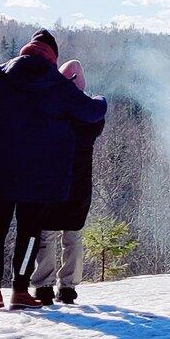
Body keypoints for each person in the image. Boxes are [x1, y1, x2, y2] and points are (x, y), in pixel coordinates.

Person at [0, 30, 107, 311]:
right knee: (28, 234)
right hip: (39, 178)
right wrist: (100, 99)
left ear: (26, 50)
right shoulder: (57, 85)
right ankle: (19, 291)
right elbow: (92, 112)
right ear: (52, 57)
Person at [31, 59, 103, 305]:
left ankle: (43, 286)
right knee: (73, 236)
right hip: (80, 183)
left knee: (47, 235)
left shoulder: (51, 111)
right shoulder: (91, 117)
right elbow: (98, 107)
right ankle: (68, 288)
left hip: (52, 182)